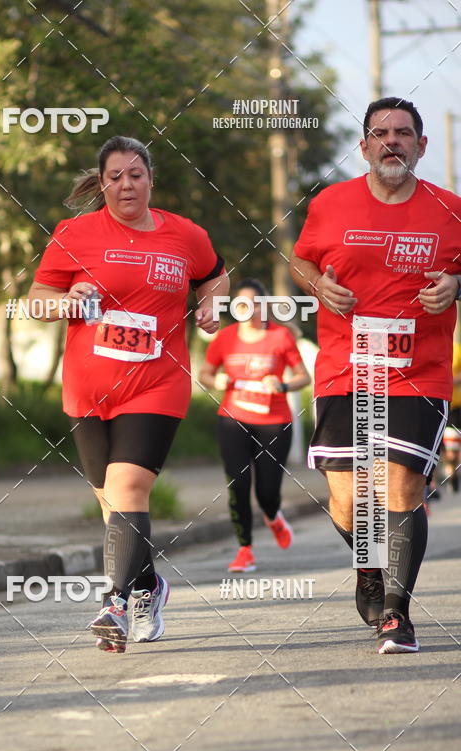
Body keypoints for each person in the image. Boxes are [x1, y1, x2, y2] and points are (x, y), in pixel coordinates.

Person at [27, 135, 228, 652]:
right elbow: (37, 300)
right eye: (115, 176)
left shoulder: (185, 235)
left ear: (151, 180)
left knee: (128, 486)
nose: (125, 185)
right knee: (110, 501)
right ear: (102, 183)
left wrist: (211, 307)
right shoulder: (75, 233)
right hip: (90, 388)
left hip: (157, 382)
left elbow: (214, 276)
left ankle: (115, 603)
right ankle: (147, 588)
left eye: (135, 175)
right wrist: (68, 298)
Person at [290, 97, 461, 654]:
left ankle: (396, 613)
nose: (393, 141)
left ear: (421, 145)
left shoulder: (451, 210)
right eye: (381, 133)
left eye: (404, 133)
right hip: (345, 366)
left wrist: (456, 286)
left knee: (402, 482)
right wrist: (317, 285)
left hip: (419, 370)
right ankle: (369, 565)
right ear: (363, 146)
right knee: (346, 496)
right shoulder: (331, 204)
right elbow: (301, 260)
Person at [199, 279, 310, 571]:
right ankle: (244, 549)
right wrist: (217, 380)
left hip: (274, 423)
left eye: (252, 303)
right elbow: (206, 373)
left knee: (267, 491)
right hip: (232, 419)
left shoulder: (281, 337)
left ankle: (273, 515)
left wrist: (283, 385)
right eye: (240, 303)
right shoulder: (225, 337)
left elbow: (303, 377)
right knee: (238, 484)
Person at [442, 325, 461, 493]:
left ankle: (453, 474)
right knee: (448, 450)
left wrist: (453, 380)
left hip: (456, 406)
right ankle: (451, 475)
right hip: (440, 404)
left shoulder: (458, 351)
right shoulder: (437, 348)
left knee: (453, 450)